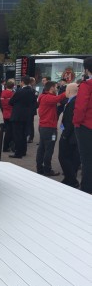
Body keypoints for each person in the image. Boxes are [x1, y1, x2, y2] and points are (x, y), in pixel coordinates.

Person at [36, 81, 67, 176]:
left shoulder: (43, 97)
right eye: (56, 87)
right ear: (51, 88)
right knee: (48, 149)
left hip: (44, 126)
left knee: (42, 148)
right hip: (49, 127)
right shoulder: (48, 98)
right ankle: (47, 170)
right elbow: (59, 98)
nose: (57, 89)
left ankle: (40, 168)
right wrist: (68, 92)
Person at [73, 57, 92, 194]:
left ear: (86, 69)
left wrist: (76, 122)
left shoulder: (86, 85)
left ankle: (86, 190)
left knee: (86, 160)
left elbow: (80, 108)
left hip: (86, 127)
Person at [59, 83, 80, 188]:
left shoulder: (74, 102)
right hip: (72, 135)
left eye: (66, 90)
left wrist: (65, 136)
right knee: (71, 158)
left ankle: (72, 180)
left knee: (63, 157)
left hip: (70, 136)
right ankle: (69, 178)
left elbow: (71, 122)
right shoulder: (72, 101)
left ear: (69, 91)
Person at [8, 76, 35, 158]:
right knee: (24, 134)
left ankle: (18, 152)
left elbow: (11, 102)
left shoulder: (20, 91)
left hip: (18, 115)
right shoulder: (31, 91)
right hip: (27, 116)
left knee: (17, 135)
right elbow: (34, 104)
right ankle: (23, 151)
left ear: (22, 82)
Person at [0, 80, 16, 152]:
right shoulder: (12, 94)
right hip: (11, 114)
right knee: (10, 132)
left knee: (7, 130)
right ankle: (6, 146)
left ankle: (6, 146)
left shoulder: (3, 92)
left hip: (5, 113)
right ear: (13, 86)